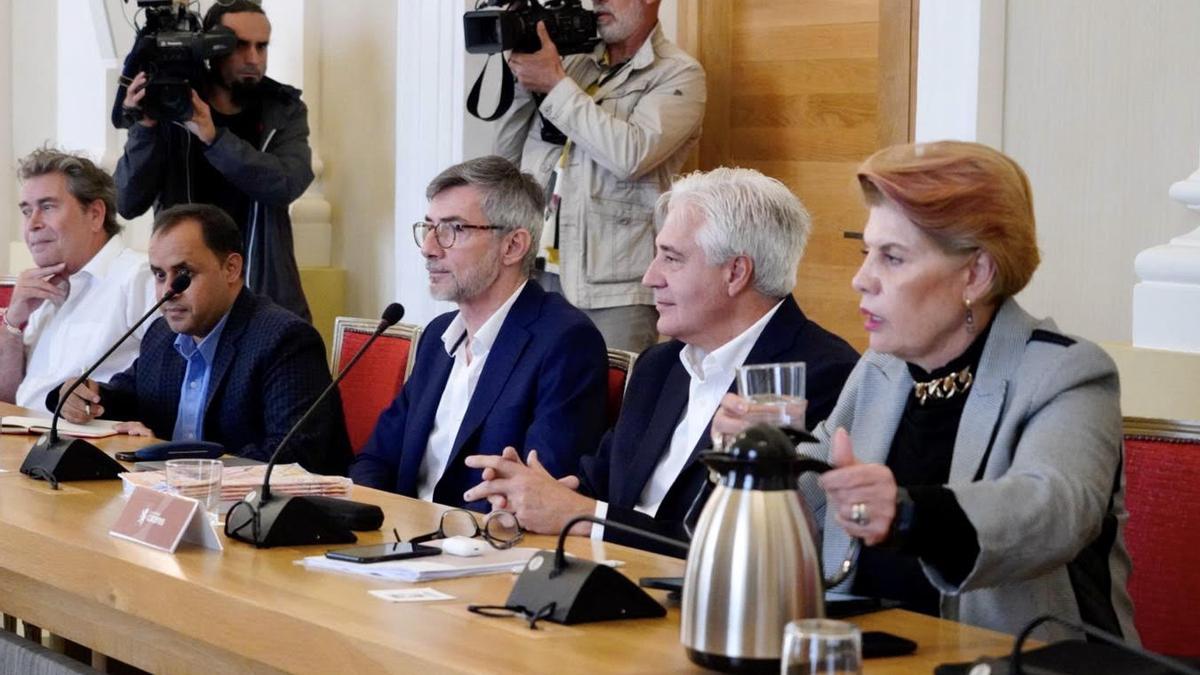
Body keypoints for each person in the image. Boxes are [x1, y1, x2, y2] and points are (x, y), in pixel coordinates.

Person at [714, 141, 1137, 642]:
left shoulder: (1065, 372)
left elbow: (1051, 510)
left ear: (975, 274)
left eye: (892, 258)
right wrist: (764, 454)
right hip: (866, 653)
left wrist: (910, 512)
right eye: (865, 252)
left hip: (1024, 664)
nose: (861, 279)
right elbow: (818, 501)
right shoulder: (882, 370)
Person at [462, 167, 859, 552]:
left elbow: (737, 543)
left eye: (671, 258)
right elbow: (599, 485)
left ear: (735, 272)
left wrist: (587, 517)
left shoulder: (818, 376)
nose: (650, 277)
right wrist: (531, 492)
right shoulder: (660, 365)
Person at [349, 156, 609, 510]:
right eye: (428, 227)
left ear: (513, 246)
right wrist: (376, 521)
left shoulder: (565, 342)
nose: (429, 247)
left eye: (453, 230)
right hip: (401, 541)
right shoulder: (437, 337)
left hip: (481, 551)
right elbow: (375, 459)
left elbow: (535, 496)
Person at [53, 204, 351, 476]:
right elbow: (125, 398)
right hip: (169, 503)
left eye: (184, 274)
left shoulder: (284, 340)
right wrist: (77, 397)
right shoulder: (161, 335)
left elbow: (293, 455)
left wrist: (182, 468)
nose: (168, 291)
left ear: (231, 268)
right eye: (159, 275)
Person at [494, 0, 706, 353]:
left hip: (614, 290)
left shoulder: (678, 73)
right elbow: (506, 158)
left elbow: (632, 155)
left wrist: (556, 84)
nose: (598, 1)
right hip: (534, 272)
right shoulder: (573, 64)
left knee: (608, 403)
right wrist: (523, 80)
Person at [114, 0, 314, 321]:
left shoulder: (283, 108)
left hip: (263, 294)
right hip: (186, 294)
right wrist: (145, 129)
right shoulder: (172, 104)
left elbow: (286, 182)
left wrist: (213, 138)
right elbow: (127, 201)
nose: (253, 58)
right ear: (211, 48)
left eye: (261, 47)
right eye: (239, 46)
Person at [0, 149, 157, 415]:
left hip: (93, 448)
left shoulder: (139, 277)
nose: (32, 225)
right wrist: (13, 322)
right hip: (26, 444)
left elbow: (173, 379)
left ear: (95, 214)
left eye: (47, 207)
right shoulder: (42, 292)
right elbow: (7, 400)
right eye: (27, 212)